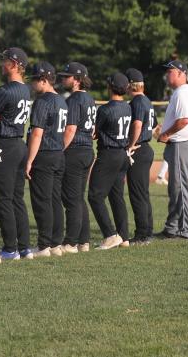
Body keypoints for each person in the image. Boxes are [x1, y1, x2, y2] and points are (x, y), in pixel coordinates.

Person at [0, 48, 33, 260]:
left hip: (5, 145)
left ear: (15, 65)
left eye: (5, 61)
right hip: (19, 144)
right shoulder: (25, 90)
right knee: (16, 198)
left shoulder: (5, 91)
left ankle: (9, 248)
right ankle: (24, 247)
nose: (1, 64)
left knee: (2, 199)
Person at [25, 62, 67, 258]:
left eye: (34, 80)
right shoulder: (61, 100)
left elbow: (37, 134)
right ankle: (55, 244)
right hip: (58, 153)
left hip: (44, 153)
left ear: (43, 80)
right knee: (54, 200)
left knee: (42, 201)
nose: (32, 84)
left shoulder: (43, 101)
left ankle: (44, 246)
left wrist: (29, 161)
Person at [88, 73, 133, 250]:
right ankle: (124, 236)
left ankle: (110, 235)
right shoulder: (128, 107)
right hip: (122, 154)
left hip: (108, 155)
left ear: (110, 87)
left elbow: (95, 133)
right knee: (116, 197)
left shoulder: (105, 109)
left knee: (95, 196)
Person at [156, 60, 188, 239]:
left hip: (181, 144)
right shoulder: (182, 92)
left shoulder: (182, 93)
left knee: (180, 188)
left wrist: (166, 134)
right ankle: (172, 227)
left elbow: (184, 120)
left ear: (182, 74)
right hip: (180, 144)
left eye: (171, 72)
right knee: (175, 188)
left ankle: (184, 230)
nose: (168, 74)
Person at [57, 62, 96, 254]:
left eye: (67, 76)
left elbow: (70, 129)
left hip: (75, 150)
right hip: (87, 149)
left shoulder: (74, 100)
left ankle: (70, 242)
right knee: (79, 198)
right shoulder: (90, 99)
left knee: (71, 199)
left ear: (77, 80)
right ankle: (83, 241)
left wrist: (59, 149)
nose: (64, 79)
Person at [125, 68, 156, 245]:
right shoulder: (147, 100)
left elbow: (137, 125)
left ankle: (142, 234)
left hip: (139, 149)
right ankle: (147, 231)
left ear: (131, 85)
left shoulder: (137, 101)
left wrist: (130, 145)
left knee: (137, 194)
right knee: (143, 193)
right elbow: (153, 126)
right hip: (146, 148)